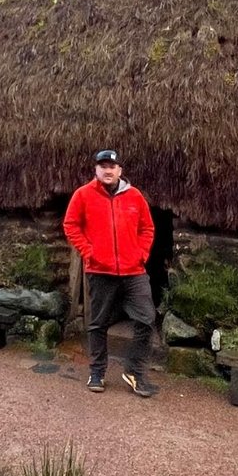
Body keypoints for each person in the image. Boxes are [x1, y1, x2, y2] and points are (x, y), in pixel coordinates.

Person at [62, 149, 159, 398]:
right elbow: (70, 224)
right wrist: (88, 252)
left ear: (120, 171)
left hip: (134, 272)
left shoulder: (135, 196)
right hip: (100, 271)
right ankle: (97, 372)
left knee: (146, 320)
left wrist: (141, 255)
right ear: (96, 169)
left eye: (112, 166)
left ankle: (134, 372)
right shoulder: (83, 195)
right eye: (103, 165)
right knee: (98, 323)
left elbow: (147, 227)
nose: (108, 170)